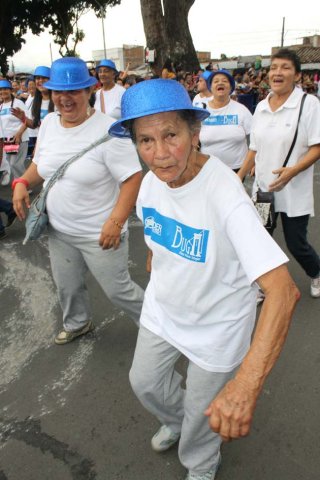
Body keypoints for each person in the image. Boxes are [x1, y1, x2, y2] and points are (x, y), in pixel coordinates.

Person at [108, 79, 299, 480]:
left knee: (201, 412)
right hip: (164, 311)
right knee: (144, 383)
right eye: (145, 141)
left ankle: (201, 460)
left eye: (171, 135)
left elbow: (282, 291)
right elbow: (156, 238)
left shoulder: (224, 193)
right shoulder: (148, 184)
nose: (159, 154)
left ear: (195, 133)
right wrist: (157, 262)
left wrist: (246, 384)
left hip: (217, 326)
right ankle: (183, 423)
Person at [12, 57, 144, 345]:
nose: (65, 98)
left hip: (100, 232)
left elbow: (132, 178)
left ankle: (159, 328)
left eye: (73, 91)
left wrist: (116, 221)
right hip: (59, 230)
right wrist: (22, 182)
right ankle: (77, 323)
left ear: (88, 91)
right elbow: (42, 166)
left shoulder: (109, 130)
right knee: (67, 287)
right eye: (59, 91)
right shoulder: (48, 123)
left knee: (119, 291)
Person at [238, 48, 320, 298]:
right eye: (274, 68)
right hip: (263, 191)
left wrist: (293, 171)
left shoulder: (308, 104)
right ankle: (263, 286)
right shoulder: (262, 106)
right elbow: (254, 147)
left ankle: (316, 273)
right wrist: (239, 175)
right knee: (260, 240)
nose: (277, 72)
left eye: (285, 67)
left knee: (297, 244)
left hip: (294, 191)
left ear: (296, 75)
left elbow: (317, 146)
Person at [199, 69, 253, 173]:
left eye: (224, 81)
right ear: (210, 87)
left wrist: (246, 169)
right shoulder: (201, 108)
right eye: (216, 81)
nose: (220, 83)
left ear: (231, 87)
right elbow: (192, 136)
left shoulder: (241, 110)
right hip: (207, 168)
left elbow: (256, 141)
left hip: (236, 169)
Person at [0, 79, 29, 181]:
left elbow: (27, 120)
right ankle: (19, 185)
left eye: (5, 89)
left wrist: (19, 133)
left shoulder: (18, 103)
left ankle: (25, 185)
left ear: (10, 90)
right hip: (8, 140)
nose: (3, 92)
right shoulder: (1, 106)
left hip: (19, 138)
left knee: (15, 164)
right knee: (12, 164)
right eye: (0, 90)